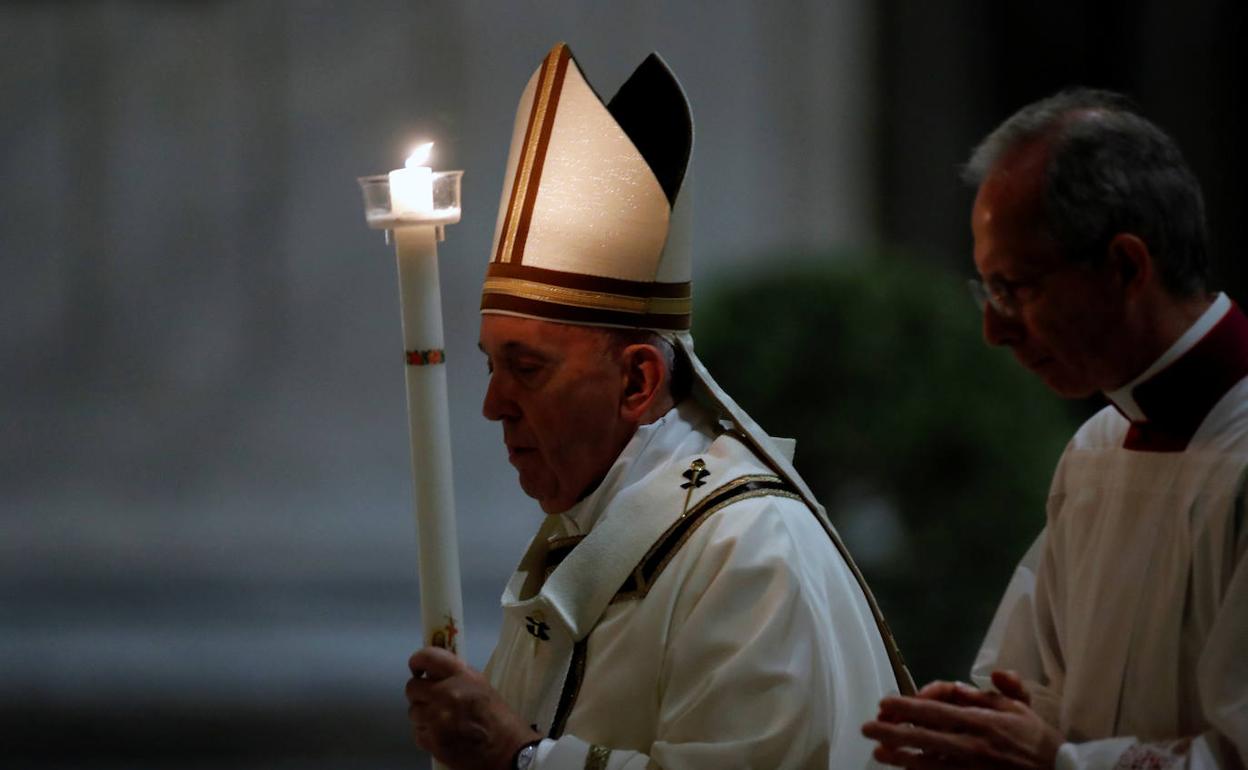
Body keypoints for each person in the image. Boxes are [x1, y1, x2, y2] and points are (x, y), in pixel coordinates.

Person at [403, 43, 912, 770]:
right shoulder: (591, 528)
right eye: (491, 364)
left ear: (638, 382)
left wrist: (517, 759)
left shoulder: (748, 552)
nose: (492, 406)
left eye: (527, 368)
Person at [862, 89, 1248, 769]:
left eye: (1015, 288)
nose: (993, 329)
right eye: (988, 291)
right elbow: (1030, 688)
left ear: (1127, 266)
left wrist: (1055, 763)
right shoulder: (1096, 450)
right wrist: (975, 730)